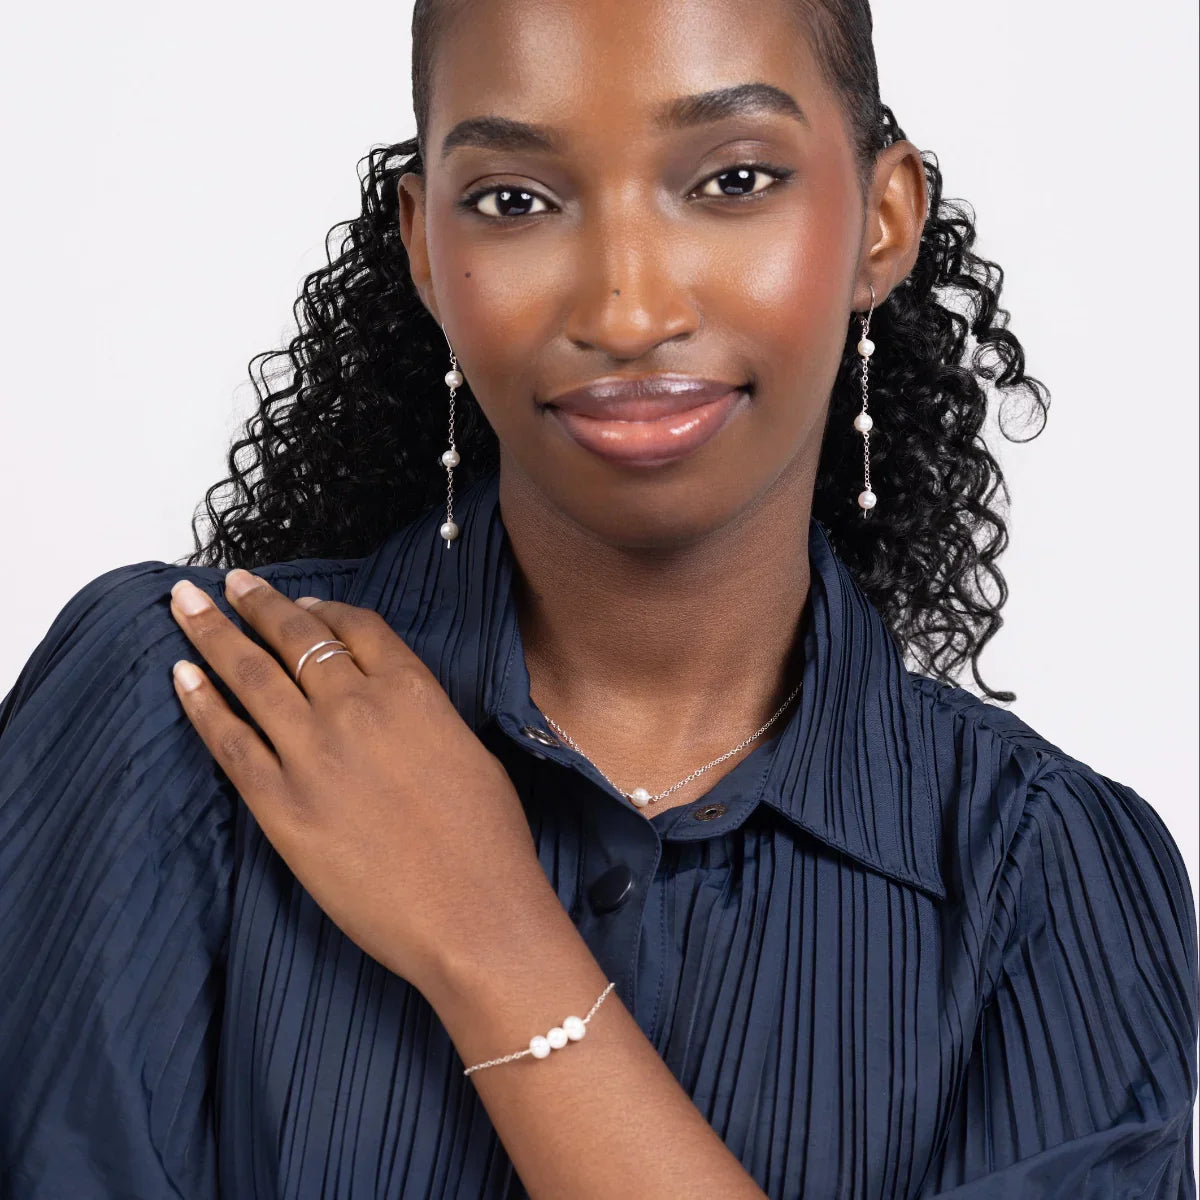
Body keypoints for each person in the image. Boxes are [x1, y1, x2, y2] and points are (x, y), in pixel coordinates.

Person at [1, 0, 1196, 1196]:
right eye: (515, 200)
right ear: (425, 247)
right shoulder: (182, 709)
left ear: (883, 222)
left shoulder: (1052, 876)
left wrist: (494, 942)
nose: (627, 313)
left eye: (733, 180)